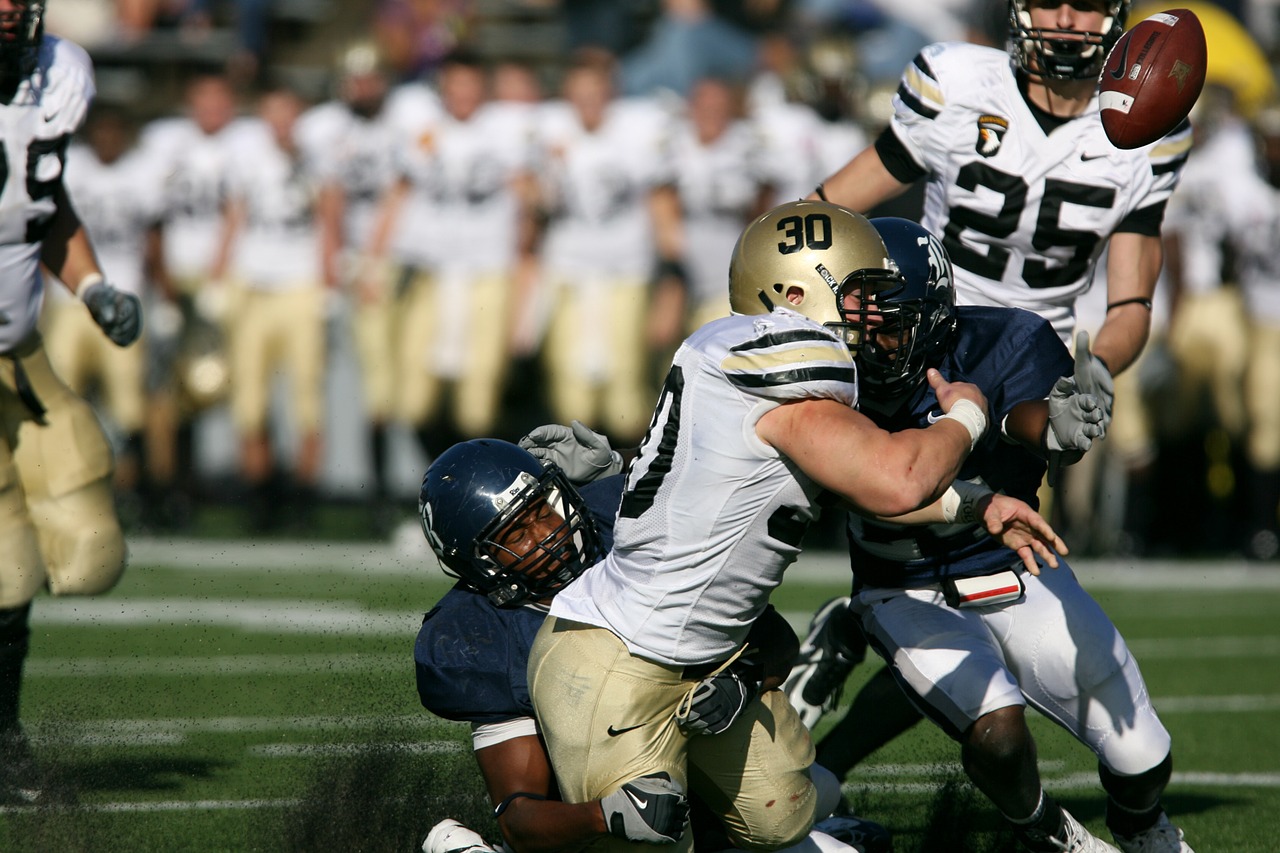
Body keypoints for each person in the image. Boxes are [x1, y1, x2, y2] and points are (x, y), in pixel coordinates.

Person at [525, 200, 1065, 853]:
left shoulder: (736, 347)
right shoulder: (795, 359)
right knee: (639, 837)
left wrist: (977, 504)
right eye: (861, 293)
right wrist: (967, 418)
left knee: (782, 814)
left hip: (708, 660)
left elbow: (859, 482)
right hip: (621, 656)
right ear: (795, 293)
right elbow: (898, 477)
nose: (876, 313)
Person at [783, 218, 1193, 853]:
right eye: (857, 319)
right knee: (997, 733)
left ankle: (1141, 827)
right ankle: (1045, 833)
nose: (867, 340)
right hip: (902, 587)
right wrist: (979, 492)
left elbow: (1023, 418)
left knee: (1141, 755)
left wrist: (1058, 428)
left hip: (1013, 566)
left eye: (886, 321)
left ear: (935, 315)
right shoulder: (825, 370)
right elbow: (872, 492)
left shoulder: (1007, 342)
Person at [414, 438, 890, 853]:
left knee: (802, 797)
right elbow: (522, 816)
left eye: (542, 510)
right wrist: (608, 815)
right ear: (478, 564)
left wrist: (742, 680)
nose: (548, 536)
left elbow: (776, 638)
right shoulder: (477, 638)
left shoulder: (624, 528)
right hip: (614, 795)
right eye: (515, 535)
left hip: (699, 752)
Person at [811, 0, 1190, 431]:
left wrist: (1098, 367)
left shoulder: (1148, 131)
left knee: (1012, 482)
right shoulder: (958, 83)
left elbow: (1130, 302)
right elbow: (826, 209)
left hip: (1035, 354)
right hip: (925, 330)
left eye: (1084, 5)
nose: (1065, 20)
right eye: (1048, 3)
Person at [0, 0, 140, 803]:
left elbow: (42, 206)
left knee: (84, 548)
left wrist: (90, 285)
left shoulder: (59, 75)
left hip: (19, 355)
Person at [209, 86, 327, 532]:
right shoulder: (245, 155)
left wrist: (329, 282)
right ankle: (260, 497)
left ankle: (304, 499)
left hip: (300, 286)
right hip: (254, 286)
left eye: (287, 112)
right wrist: (218, 274)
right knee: (250, 400)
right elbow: (234, 217)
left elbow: (329, 218)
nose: (280, 122)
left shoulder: (315, 156)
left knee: (306, 401)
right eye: (272, 112)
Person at [46, 103, 167, 524]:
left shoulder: (142, 171)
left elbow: (154, 241)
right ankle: (62, 488)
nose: (108, 140)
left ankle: (130, 491)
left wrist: (164, 297)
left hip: (123, 298)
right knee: (61, 399)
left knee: (129, 403)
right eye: (103, 131)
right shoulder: (70, 166)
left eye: (116, 132)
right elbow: (46, 231)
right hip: (71, 302)